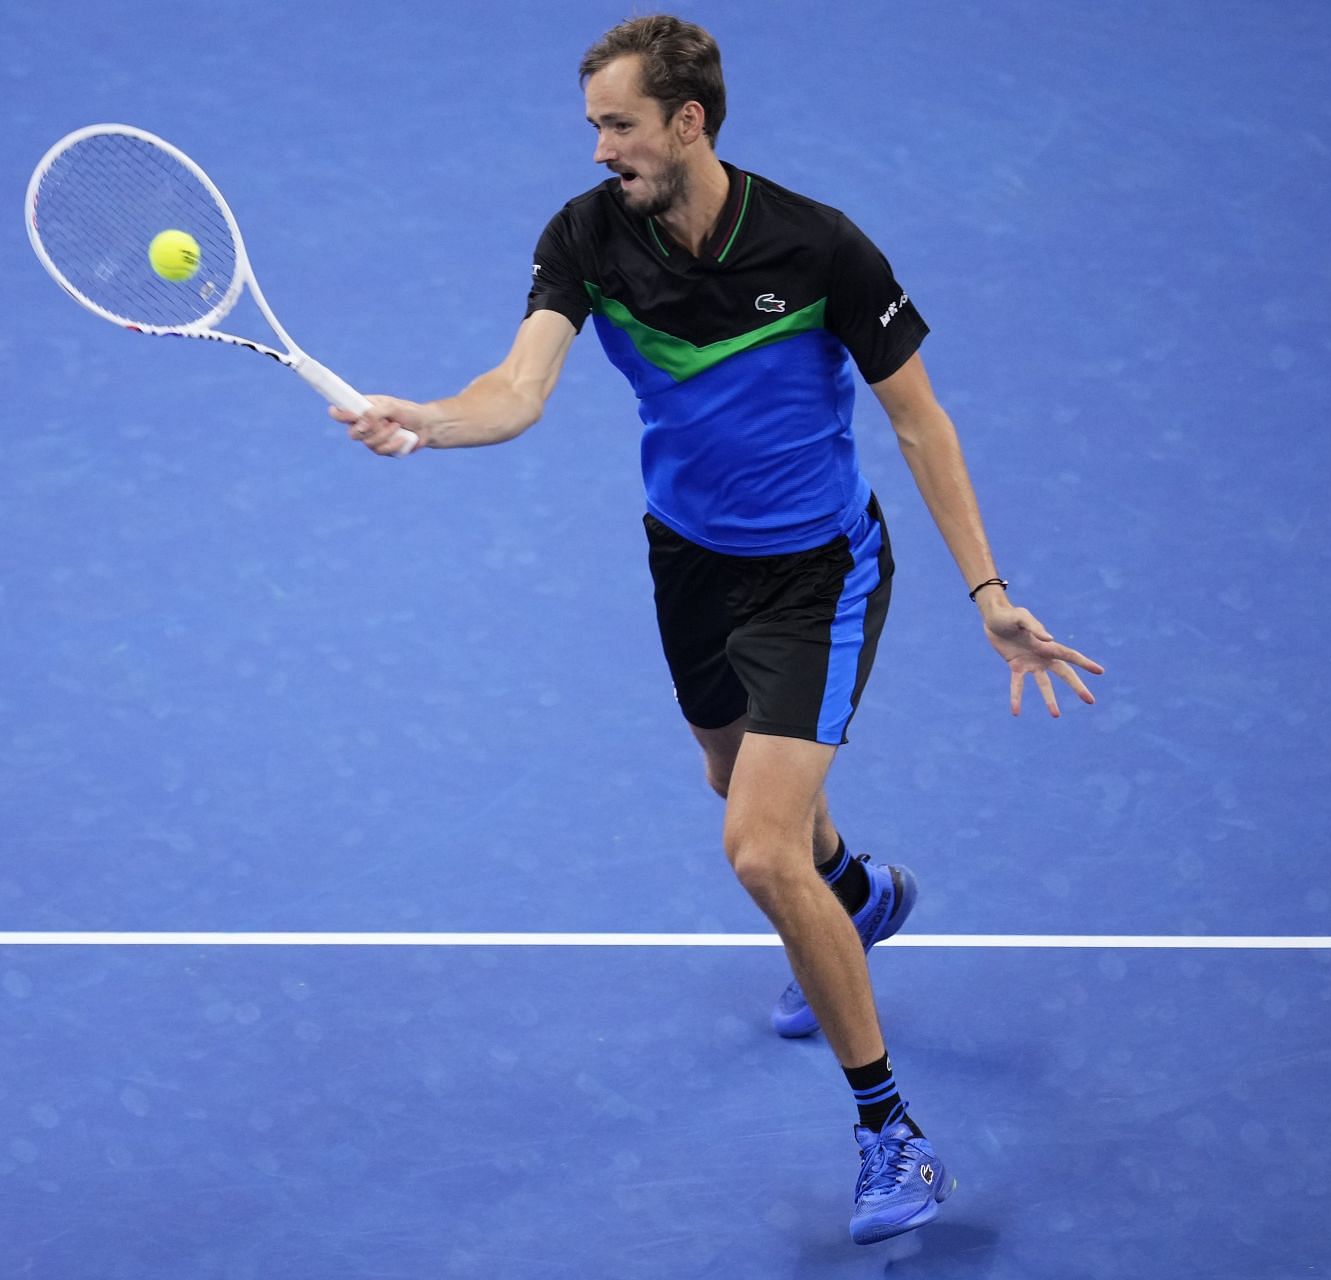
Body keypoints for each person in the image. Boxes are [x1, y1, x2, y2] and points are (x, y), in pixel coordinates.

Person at [331, 14, 1103, 1245]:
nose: (598, 150)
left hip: (817, 573)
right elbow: (517, 389)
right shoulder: (586, 238)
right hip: (688, 561)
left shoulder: (820, 245)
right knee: (732, 781)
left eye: (619, 124)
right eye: (594, 124)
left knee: (756, 850)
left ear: (689, 122)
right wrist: (425, 416)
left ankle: (891, 1129)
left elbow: (921, 424)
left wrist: (988, 592)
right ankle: (859, 893)